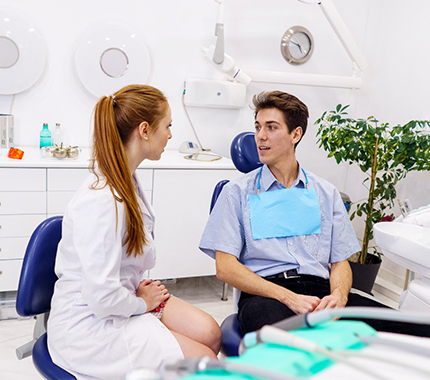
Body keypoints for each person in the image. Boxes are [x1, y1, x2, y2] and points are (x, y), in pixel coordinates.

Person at [199, 90, 430, 337]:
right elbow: (225, 268)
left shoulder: (325, 193)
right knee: (292, 349)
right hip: (267, 296)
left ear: (295, 134)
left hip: (323, 292)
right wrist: (289, 297)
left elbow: (340, 261)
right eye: (258, 127)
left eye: (271, 127)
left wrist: (339, 297)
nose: (260, 136)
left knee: (418, 331)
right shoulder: (236, 193)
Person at [48, 84, 221, 380]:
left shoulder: (127, 179)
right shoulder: (102, 201)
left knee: (211, 333)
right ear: (144, 130)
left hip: (124, 295)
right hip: (90, 325)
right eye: (167, 126)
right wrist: (142, 304)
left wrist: (139, 293)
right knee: (206, 364)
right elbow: (100, 297)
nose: (170, 135)